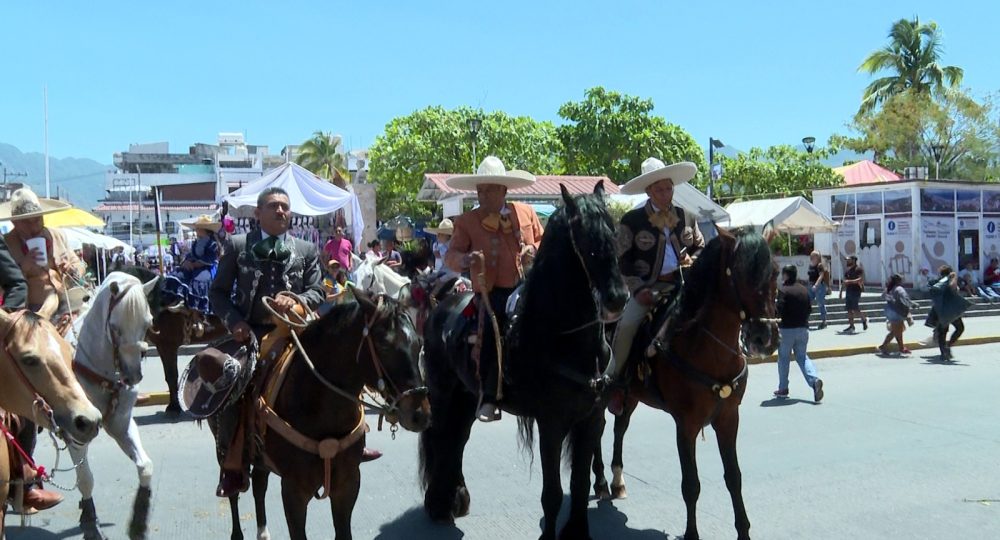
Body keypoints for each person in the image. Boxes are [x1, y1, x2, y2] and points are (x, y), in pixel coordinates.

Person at [207, 187, 346, 498]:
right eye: (273, 206)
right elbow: (217, 293)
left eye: (285, 206)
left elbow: (318, 291)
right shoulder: (237, 245)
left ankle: (350, 441)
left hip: (296, 332)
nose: (281, 211)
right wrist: (235, 322)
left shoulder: (307, 249)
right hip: (250, 333)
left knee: (338, 369)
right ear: (258, 214)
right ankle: (232, 465)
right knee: (231, 386)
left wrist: (296, 298)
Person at [0, 187, 81, 512]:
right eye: (27, 221)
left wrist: (70, 268)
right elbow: (19, 279)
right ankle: (25, 482)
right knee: (22, 405)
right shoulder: (8, 245)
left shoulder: (56, 236)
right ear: (16, 224)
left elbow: (76, 267)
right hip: (28, 316)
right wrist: (28, 267)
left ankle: (110, 386)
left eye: (37, 218)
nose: (34, 225)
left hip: (57, 312)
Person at [445, 156, 543, 423]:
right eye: (480, 190)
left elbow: (541, 241)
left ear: (503, 190)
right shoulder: (467, 221)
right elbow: (451, 255)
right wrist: (466, 260)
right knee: (492, 327)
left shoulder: (525, 213)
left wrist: (532, 251)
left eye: (488, 189)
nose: (483, 194)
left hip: (525, 287)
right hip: (490, 293)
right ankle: (489, 395)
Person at [604, 158, 704, 415]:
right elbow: (622, 260)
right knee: (626, 327)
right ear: (648, 191)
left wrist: (692, 259)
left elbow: (701, 248)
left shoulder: (687, 217)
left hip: (684, 287)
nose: (665, 193)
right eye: (659, 189)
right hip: (648, 289)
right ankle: (615, 381)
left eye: (668, 188)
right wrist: (638, 290)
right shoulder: (632, 220)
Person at [773, 265, 824, 402]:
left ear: (786, 275)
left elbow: (779, 310)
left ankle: (783, 388)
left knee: (783, 358)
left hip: (786, 330)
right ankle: (814, 380)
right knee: (802, 357)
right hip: (803, 328)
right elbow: (809, 308)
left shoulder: (783, 290)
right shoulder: (804, 290)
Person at [173, 215, 220, 311]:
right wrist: (186, 262)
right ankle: (180, 299)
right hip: (193, 267)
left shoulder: (213, 243)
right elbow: (190, 255)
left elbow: (209, 259)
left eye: (198, 228)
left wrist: (194, 265)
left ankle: (199, 309)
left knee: (199, 279)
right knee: (178, 274)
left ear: (204, 229)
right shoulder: (196, 242)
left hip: (207, 268)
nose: (196, 230)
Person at [930, 265, 966, 361]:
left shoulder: (939, 282)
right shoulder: (949, 281)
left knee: (943, 332)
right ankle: (947, 347)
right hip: (950, 310)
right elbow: (953, 288)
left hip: (941, 310)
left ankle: (944, 351)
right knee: (959, 328)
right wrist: (954, 277)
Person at [877, 273, 914, 355]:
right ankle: (883, 346)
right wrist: (913, 304)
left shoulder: (889, 288)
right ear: (898, 280)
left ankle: (901, 348)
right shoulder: (899, 289)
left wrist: (891, 299)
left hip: (889, 311)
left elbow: (883, 296)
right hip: (897, 311)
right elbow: (905, 299)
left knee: (898, 331)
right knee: (896, 331)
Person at [840, 255, 868, 332]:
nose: (847, 261)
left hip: (856, 291)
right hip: (848, 291)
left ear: (853, 260)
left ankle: (864, 319)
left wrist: (850, 281)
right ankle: (851, 326)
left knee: (855, 309)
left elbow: (860, 279)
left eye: (849, 260)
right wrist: (841, 292)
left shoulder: (858, 269)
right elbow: (844, 282)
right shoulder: (847, 271)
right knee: (849, 309)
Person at [807, 251, 830, 329]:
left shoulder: (820, 265)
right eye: (811, 255)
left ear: (817, 257)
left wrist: (816, 285)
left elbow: (821, 276)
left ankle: (824, 321)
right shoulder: (811, 265)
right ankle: (805, 320)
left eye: (813, 255)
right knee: (807, 302)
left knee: (820, 303)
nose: (811, 257)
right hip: (810, 285)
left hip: (819, 286)